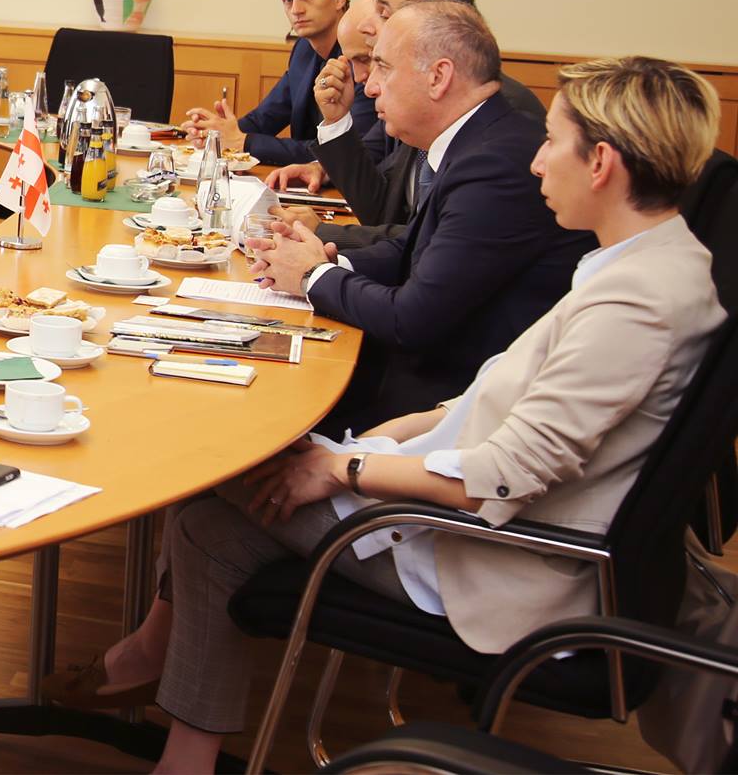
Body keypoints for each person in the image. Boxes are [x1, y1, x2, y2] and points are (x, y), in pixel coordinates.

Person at [74, 55, 725, 775]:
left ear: (600, 163)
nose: (537, 160)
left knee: (211, 467)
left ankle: (166, 713)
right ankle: (182, 747)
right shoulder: (653, 263)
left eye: (551, 141)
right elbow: (498, 392)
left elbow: (501, 475)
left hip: (498, 560)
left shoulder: (636, 302)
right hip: (474, 512)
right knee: (212, 527)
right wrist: (378, 440)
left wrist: (343, 468)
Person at [247, 0, 591, 434]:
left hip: (443, 405)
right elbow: (414, 247)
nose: (370, 87)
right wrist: (328, 259)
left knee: (253, 420)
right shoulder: (479, 137)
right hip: (422, 378)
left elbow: (410, 320)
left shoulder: (496, 163)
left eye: (383, 67)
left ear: (438, 77)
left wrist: (312, 275)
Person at [267, 0, 547, 224]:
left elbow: (419, 242)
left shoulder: (500, 113)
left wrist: (322, 234)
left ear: (437, 20)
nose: (367, 26)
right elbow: (382, 207)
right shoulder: (417, 102)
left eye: (384, 14)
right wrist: (328, 149)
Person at [183, 0, 349, 166]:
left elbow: (343, 152)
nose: (296, 9)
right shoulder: (303, 49)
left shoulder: (361, 57)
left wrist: (243, 142)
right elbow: (265, 118)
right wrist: (216, 132)